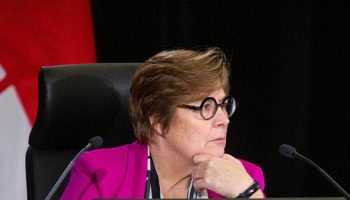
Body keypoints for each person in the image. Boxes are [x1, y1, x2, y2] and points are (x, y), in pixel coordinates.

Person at [61, 47, 265, 199]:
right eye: (206, 107)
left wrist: (248, 193)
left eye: (223, 105)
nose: (224, 120)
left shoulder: (243, 178)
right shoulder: (100, 173)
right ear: (158, 120)